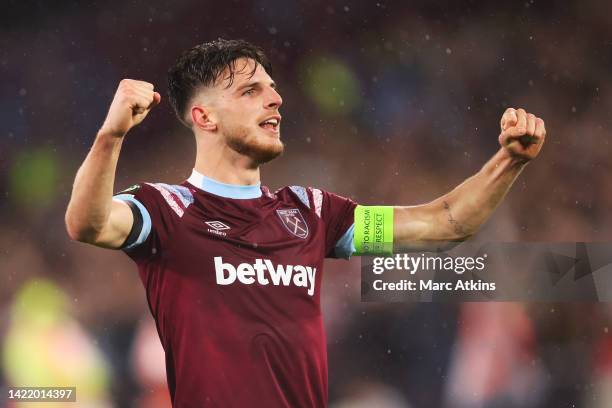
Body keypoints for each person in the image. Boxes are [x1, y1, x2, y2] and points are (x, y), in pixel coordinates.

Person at [65, 38, 547, 407]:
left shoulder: (313, 215)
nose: (275, 100)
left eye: (273, 90)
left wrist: (510, 161)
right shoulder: (165, 209)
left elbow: (443, 224)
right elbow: (87, 223)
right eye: (252, 91)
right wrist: (111, 136)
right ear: (204, 116)